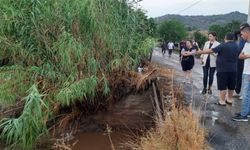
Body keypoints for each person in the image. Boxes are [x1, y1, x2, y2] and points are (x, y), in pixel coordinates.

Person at [196, 33, 240, 106]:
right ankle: (229, 100)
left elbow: (211, 51)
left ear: (226, 38)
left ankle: (222, 101)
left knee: (223, 86)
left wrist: (201, 52)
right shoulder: (236, 46)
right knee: (231, 86)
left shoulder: (223, 45)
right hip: (234, 69)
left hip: (223, 69)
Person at [232, 27, 250, 121]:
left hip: (249, 73)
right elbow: (240, 56)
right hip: (246, 71)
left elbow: (243, 56)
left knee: (246, 94)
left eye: (242, 34)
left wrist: (245, 56)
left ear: (247, 33)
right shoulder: (247, 43)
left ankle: (244, 116)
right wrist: (248, 56)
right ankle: (247, 112)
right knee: (248, 94)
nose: (241, 36)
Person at [234, 23, 250, 99]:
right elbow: (235, 33)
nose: (240, 32)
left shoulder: (247, 41)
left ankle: (244, 93)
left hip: (245, 60)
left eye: (242, 30)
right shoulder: (241, 38)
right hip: (239, 59)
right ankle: (237, 91)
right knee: (239, 76)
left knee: (245, 77)